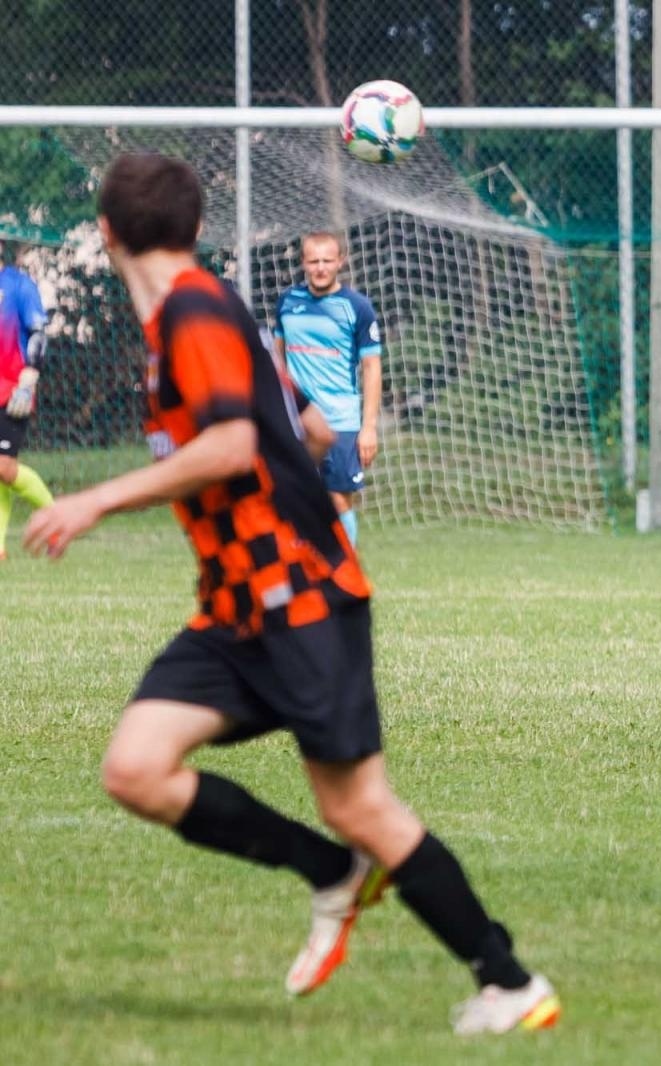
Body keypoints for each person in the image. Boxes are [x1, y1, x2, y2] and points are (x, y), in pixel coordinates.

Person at [23, 153, 558, 1037]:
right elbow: (303, 419)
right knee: (136, 768)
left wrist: (94, 499)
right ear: (193, 229)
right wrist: (295, 460)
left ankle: (509, 980)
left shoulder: (195, 309)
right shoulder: (206, 313)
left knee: (362, 807)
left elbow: (234, 446)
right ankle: (332, 873)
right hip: (236, 607)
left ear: (109, 234)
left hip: (303, 599)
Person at [274, 231, 382, 546]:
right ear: (303, 263)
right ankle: (303, 573)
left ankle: (342, 574)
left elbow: (372, 367)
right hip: (297, 423)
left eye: (327, 261)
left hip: (340, 422)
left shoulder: (357, 308)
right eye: (313, 261)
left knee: (337, 500)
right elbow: (278, 359)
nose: (320, 268)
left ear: (340, 262)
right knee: (293, 500)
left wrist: (369, 428)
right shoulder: (288, 302)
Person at [0, 242, 55, 560]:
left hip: (13, 388)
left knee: (4, 468)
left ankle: (56, 517)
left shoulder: (19, 285)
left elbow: (37, 331)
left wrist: (31, 373)